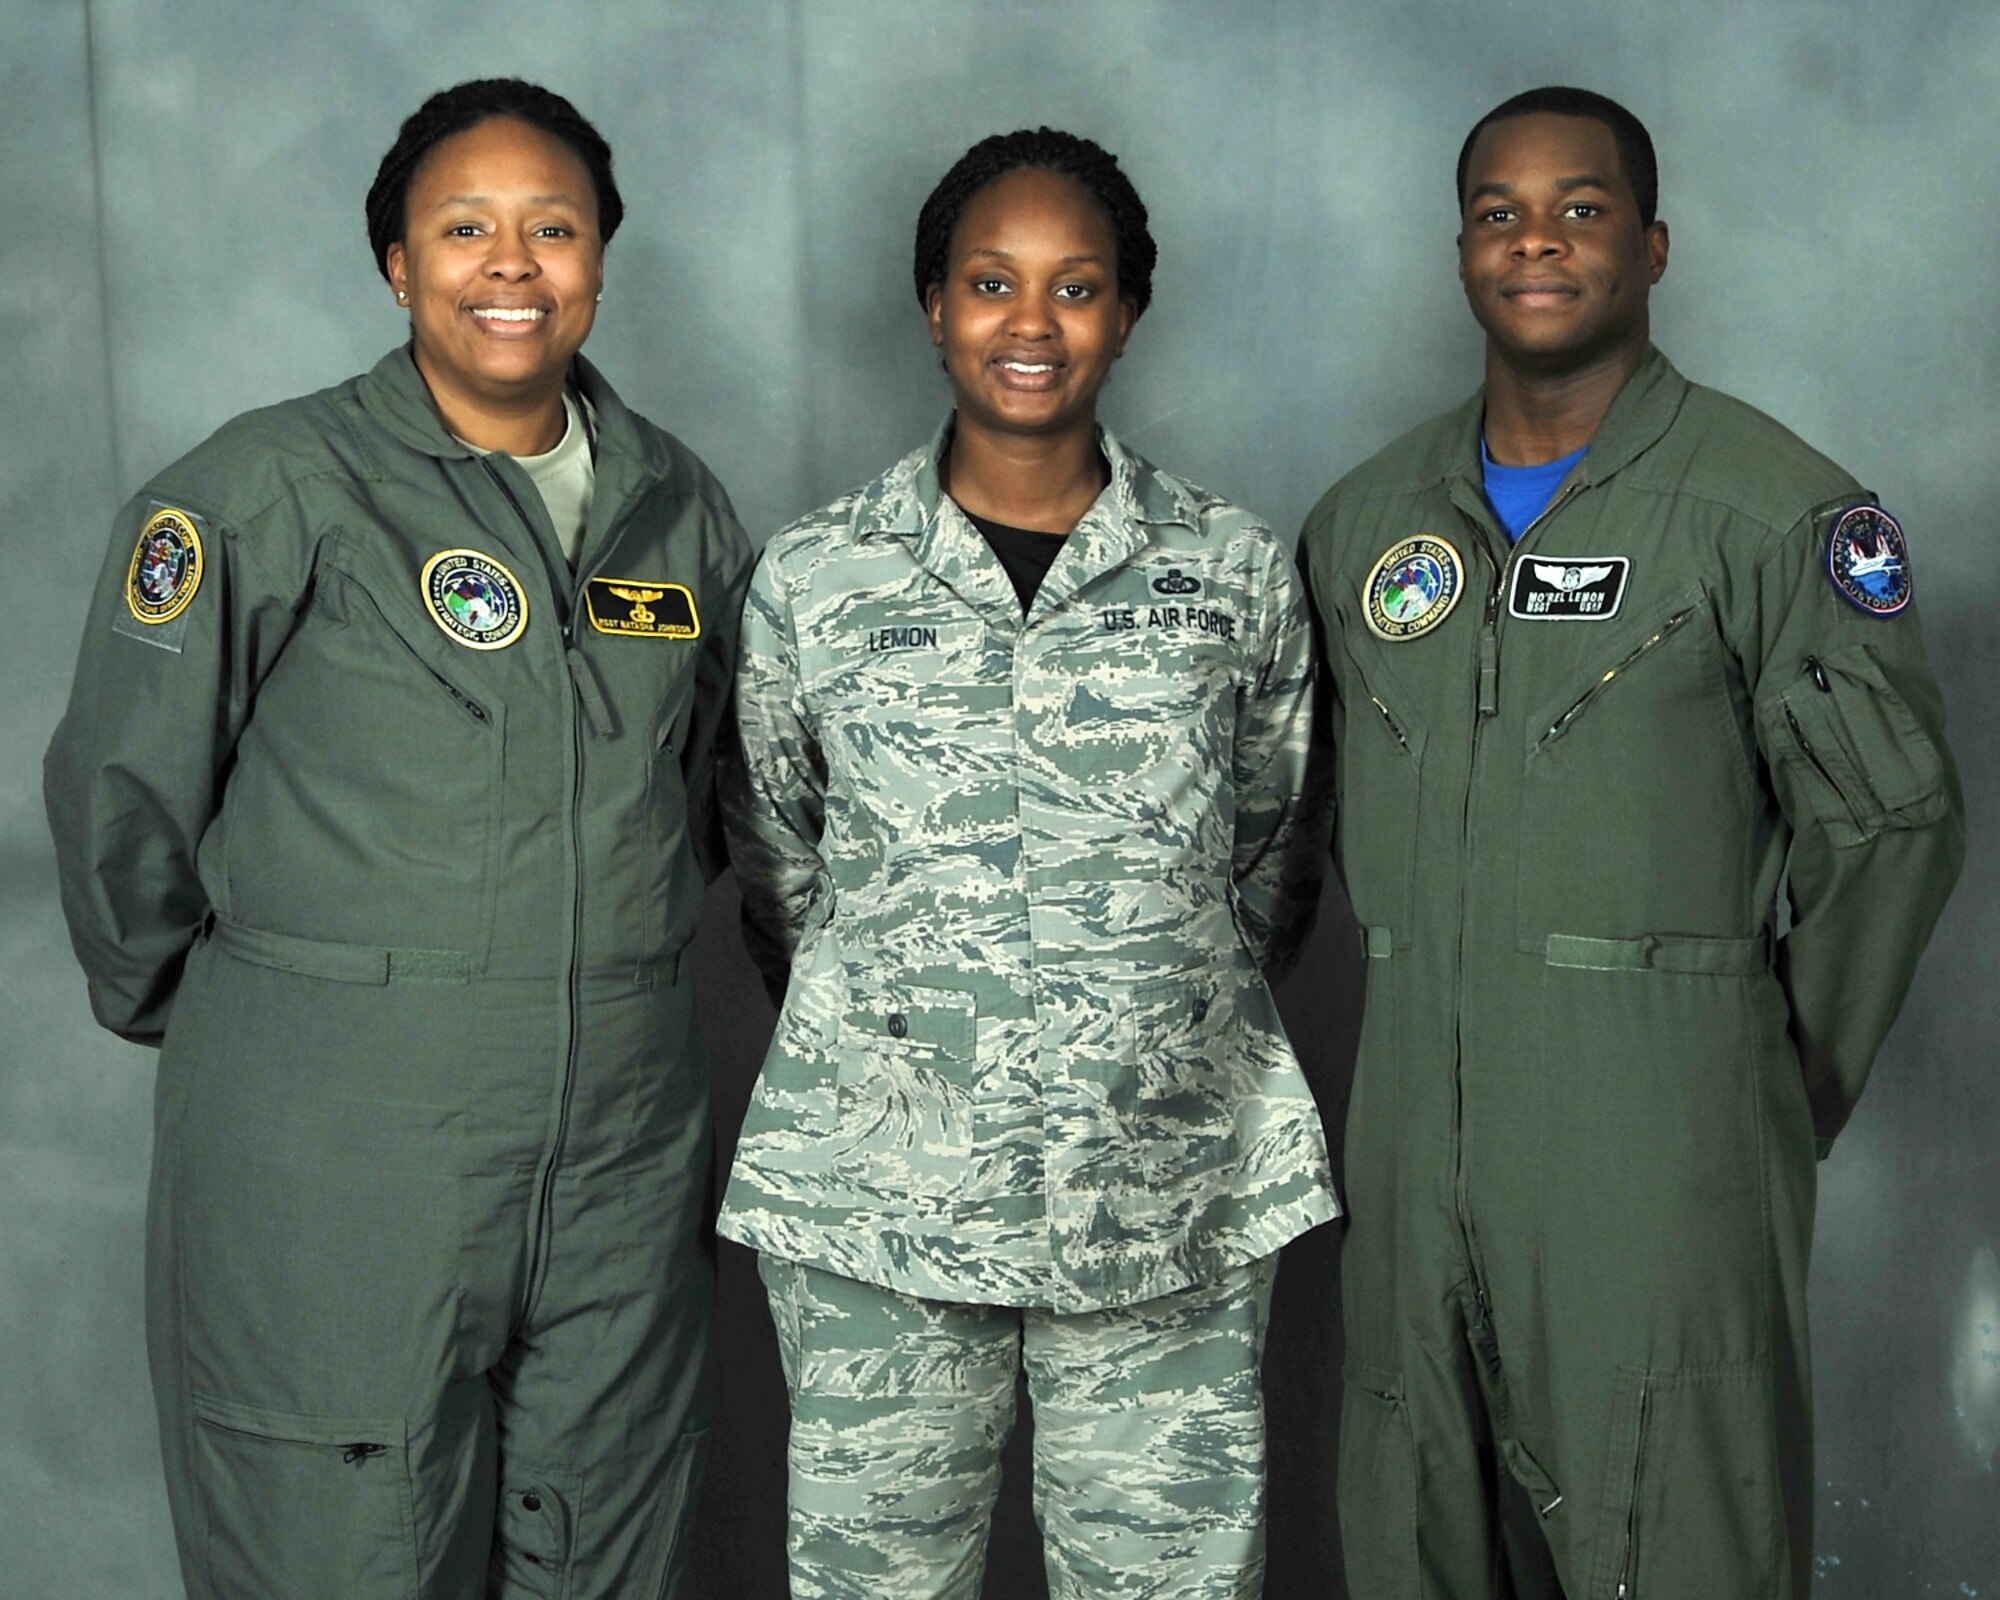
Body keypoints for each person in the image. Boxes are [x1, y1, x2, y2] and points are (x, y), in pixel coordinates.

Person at [43, 78, 752, 1599]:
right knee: (341, 1535)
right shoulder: (264, 492)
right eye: (465, 229)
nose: (513, 265)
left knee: (611, 1519)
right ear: (394, 260)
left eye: (552, 227)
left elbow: (709, 794)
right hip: (340, 1130)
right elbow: (125, 801)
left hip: (623, 1130)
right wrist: (285, 1024)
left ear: (604, 258)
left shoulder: (677, 509)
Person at [1297, 86, 1964, 1599]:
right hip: (1412, 1163)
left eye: (1581, 210)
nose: (1537, 241)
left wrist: (1758, 1085)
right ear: (1461, 251)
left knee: (1681, 1544)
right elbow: (1319, 815)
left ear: (1653, 247)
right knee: (1411, 1533)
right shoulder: (1361, 526)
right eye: (1499, 213)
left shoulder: (1774, 514)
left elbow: (1895, 828)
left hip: (1660, 1160)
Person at [718, 127, 1338, 1598]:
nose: (1031, 323)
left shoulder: (1230, 566)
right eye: (992, 282)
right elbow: (779, 854)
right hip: (880, 1190)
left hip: (1169, 1180)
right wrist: (917, 1020)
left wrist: (1141, 1005)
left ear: (1127, 311)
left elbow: (1273, 849)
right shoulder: (817, 574)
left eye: (1075, 287)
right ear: (933, 302)